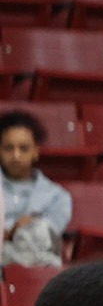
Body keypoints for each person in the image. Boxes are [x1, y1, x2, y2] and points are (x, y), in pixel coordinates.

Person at [0, 109, 72, 268]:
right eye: (8, 148)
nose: (16, 155)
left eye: (23, 148)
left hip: (35, 267)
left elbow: (48, 237)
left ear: (36, 151)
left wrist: (23, 229)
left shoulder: (58, 197)